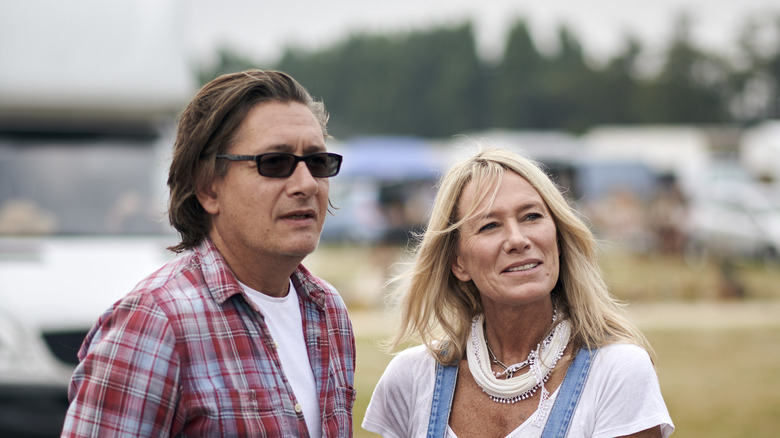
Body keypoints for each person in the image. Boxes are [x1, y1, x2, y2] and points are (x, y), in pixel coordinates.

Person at [62, 70, 355, 437]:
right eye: (275, 163)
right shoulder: (154, 322)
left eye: (317, 162)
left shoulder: (327, 311)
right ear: (207, 188)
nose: (306, 184)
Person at [363, 148, 674, 438]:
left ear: (557, 236)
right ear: (458, 263)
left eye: (531, 216)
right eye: (489, 226)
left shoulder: (617, 371)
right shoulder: (412, 378)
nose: (517, 239)